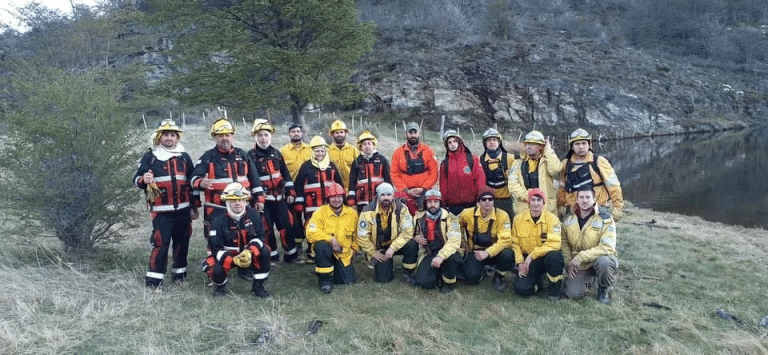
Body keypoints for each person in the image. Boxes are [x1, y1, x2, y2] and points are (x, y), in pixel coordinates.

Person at [133, 120, 198, 289]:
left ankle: (179, 276)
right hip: (161, 211)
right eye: (165, 135)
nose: (169, 138)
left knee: (182, 242)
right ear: (159, 137)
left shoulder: (184, 156)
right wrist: (143, 180)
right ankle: (154, 281)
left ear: (177, 138)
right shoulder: (150, 157)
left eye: (172, 135)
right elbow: (136, 179)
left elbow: (192, 182)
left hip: (183, 210)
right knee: (161, 243)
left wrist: (194, 206)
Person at [191, 118, 265, 238]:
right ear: (215, 137)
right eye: (220, 135)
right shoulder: (207, 157)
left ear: (233, 136)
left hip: (242, 206)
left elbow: (255, 180)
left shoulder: (243, 155)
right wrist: (200, 182)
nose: (224, 138)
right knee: (216, 237)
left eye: (227, 134)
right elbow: (193, 179)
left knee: (245, 234)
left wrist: (260, 200)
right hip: (217, 208)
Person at [201, 183, 271, 298]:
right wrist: (231, 259)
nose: (238, 203)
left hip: (248, 253)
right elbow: (215, 247)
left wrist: (250, 252)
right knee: (213, 266)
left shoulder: (254, 214)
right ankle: (220, 288)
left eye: (241, 200)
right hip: (227, 255)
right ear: (227, 202)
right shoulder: (217, 220)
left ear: (245, 200)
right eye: (233, 200)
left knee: (265, 251)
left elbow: (260, 237)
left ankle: (258, 287)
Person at [247, 119, 298, 263]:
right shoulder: (250, 156)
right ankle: (271, 257)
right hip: (263, 202)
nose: (263, 138)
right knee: (266, 229)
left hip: (280, 199)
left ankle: (291, 256)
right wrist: (256, 199)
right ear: (255, 136)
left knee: (287, 226)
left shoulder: (277, 153)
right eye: (260, 135)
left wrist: (291, 192)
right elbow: (249, 179)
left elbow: (285, 174)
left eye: (266, 135)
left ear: (271, 136)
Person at [562, 186, 618, 304]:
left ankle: (604, 288)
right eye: (581, 197)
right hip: (581, 264)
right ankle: (589, 279)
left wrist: (581, 256)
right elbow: (564, 243)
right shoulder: (568, 219)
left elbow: (607, 247)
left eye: (588, 197)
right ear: (576, 200)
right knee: (573, 294)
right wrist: (568, 263)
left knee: (604, 263)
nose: (584, 200)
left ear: (594, 199)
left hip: (600, 258)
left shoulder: (606, 219)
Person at [357, 182, 419, 283]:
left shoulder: (401, 209)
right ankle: (386, 266)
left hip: (395, 245)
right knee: (383, 279)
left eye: (388, 195)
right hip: (379, 247)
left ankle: (408, 271)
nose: (386, 198)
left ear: (393, 196)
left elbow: (408, 232)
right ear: (377, 196)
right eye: (383, 195)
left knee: (412, 244)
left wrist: (393, 248)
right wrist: (373, 252)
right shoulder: (367, 211)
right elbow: (361, 236)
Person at [558, 128, 624, 221]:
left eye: (584, 143)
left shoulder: (599, 161)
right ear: (572, 146)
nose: (581, 147)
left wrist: (617, 206)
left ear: (589, 144)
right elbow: (562, 187)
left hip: (597, 208)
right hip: (573, 209)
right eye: (577, 144)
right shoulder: (566, 163)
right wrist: (561, 205)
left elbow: (613, 185)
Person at [457, 187, 516, 292]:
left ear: (494, 201)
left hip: (494, 252)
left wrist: (488, 253)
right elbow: (455, 225)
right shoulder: (466, 213)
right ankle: (481, 271)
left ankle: (499, 277)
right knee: (472, 278)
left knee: (508, 253)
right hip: (474, 252)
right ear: (478, 202)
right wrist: (463, 242)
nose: (487, 202)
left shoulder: (503, 216)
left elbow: (506, 240)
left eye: (490, 199)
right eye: (484, 199)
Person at [510, 188, 564, 300]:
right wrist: (520, 263)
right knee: (522, 289)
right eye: (532, 200)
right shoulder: (518, 219)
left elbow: (555, 244)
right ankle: (538, 282)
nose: (535, 203)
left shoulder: (553, 219)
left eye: (538, 200)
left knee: (555, 256)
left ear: (543, 203)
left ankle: (555, 288)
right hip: (527, 261)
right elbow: (514, 243)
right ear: (528, 202)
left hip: (545, 258)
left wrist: (532, 256)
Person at [305, 183, 359, 294]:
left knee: (346, 281)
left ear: (343, 198)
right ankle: (324, 280)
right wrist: (330, 239)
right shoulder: (320, 212)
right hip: (326, 249)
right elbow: (310, 233)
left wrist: (354, 249)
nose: (336, 200)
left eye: (339, 197)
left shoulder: (352, 213)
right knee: (321, 246)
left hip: (343, 254)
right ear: (328, 198)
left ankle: (332, 269)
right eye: (333, 197)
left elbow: (356, 236)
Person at [411, 190, 463, 293]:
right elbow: (407, 232)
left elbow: (454, 241)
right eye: (430, 202)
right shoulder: (418, 217)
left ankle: (448, 284)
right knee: (422, 283)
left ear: (440, 203)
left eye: (436, 202)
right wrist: (415, 237)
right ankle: (438, 273)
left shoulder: (451, 218)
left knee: (452, 258)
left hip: (447, 252)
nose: (432, 205)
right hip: (429, 252)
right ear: (425, 203)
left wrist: (441, 256)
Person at [508, 130, 561, 216]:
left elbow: (555, 170)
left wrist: (548, 149)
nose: (528, 147)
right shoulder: (517, 163)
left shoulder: (547, 161)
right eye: (527, 144)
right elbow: (512, 185)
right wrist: (529, 196)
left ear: (541, 146)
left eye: (532, 144)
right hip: (523, 209)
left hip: (546, 209)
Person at [279, 123, 313, 260]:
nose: (296, 134)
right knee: (295, 219)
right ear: (289, 134)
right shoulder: (283, 151)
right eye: (293, 132)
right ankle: (298, 245)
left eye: (298, 131)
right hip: (292, 190)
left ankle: (312, 244)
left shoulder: (310, 149)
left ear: (302, 133)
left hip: (309, 189)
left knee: (310, 217)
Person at [391, 122, 439, 213]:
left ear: (419, 134)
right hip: (405, 192)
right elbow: (394, 174)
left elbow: (434, 173)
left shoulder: (428, 151)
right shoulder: (398, 152)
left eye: (415, 133)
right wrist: (406, 190)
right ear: (406, 134)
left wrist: (424, 188)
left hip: (425, 191)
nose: (413, 135)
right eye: (410, 133)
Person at [294, 136, 344, 221]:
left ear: (325, 152)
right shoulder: (305, 166)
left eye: (322, 151)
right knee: (312, 229)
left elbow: (339, 184)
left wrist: (343, 201)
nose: (319, 153)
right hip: (311, 206)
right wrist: (299, 202)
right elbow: (299, 185)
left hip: (329, 205)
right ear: (313, 152)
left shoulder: (331, 166)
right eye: (317, 151)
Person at [439, 130, 485, 215]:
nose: (452, 144)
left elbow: (480, 179)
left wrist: (480, 198)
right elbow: (443, 185)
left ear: (459, 142)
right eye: (449, 142)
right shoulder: (445, 164)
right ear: (447, 145)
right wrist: (444, 201)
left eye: (455, 141)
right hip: (453, 205)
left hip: (471, 203)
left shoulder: (472, 159)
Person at [347, 130, 392, 212]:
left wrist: (389, 196)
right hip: (362, 201)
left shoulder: (382, 160)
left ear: (374, 145)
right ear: (360, 146)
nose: (367, 146)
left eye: (369, 143)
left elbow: (388, 180)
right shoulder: (357, 162)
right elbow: (352, 182)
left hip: (379, 200)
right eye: (364, 144)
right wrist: (351, 198)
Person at [480, 128, 516, 218]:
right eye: (489, 140)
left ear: (499, 142)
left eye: (494, 140)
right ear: (485, 143)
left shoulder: (510, 158)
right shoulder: (480, 161)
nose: (492, 142)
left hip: (507, 201)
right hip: (488, 202)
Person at [327, 119, 360, 191]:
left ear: (345, 133)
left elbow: (359, 170)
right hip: (333, 191)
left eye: (341, 132)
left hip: (351, 189)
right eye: (337, 133)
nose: (339, 135)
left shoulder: (354, 150)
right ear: (332, 134)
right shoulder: (327, 151)